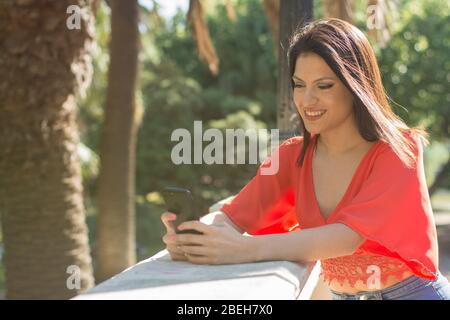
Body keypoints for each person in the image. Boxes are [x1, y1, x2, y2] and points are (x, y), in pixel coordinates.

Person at [161, 18, 450, 300]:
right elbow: (234, 218)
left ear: (355, 87)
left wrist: (243, 249)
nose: (306, 100)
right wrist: (194, 240)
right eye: (299, 85)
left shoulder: (399, 149)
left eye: (324, 86)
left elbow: (346, 238)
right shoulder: (292, 156)